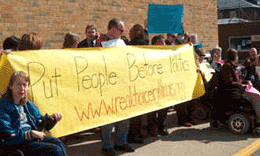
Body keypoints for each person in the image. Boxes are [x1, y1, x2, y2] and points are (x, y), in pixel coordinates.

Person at [0, 71, 67, 156]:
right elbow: (8, 135)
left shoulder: (27, 104)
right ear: (10, 86)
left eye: (25, 85)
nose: (22, 88)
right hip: (17, 143)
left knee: (58, 143)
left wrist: (51, 119)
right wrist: (30, 134)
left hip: (31, 139)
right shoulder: (3, 106)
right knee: (54, 150)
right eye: (18, 84)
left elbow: (39, 122)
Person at [96, 18, 134, 156]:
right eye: (121, 30)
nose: (123, 33)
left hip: (122, 83)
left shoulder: (121, 42)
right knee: (109, 116)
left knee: (124, 115)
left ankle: (121, 142)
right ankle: (106, 145)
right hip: (109, 85)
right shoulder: (102, 42)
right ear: (113, 29)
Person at [127, 24, 149, 144]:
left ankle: (133, 133)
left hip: (133, 80)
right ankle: (138, 133)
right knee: (140, 110)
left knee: (134, 111)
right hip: (142, 80)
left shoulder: (127, 45)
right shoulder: (145, 45)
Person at [146, 35, 169, 136]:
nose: (161, 44)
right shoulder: (149, 54)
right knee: (152, 107)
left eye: (163, 42)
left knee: (164, 107)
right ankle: (152, 127)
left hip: (164, 83)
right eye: (159, 42)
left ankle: (161, 126)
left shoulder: (168, 53)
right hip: (152, 84)